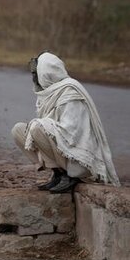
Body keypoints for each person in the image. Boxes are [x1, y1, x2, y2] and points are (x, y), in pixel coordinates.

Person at [12, 52, 120, 192]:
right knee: (18, 130)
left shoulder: (69, 90)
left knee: (37, 127)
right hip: (62, 151)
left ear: (46, 72)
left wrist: (42, 126)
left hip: (78, 158)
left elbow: (72, 134)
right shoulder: (48, 91)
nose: (34, 77)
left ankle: (71, 177)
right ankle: (59, 174)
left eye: (36, 73)